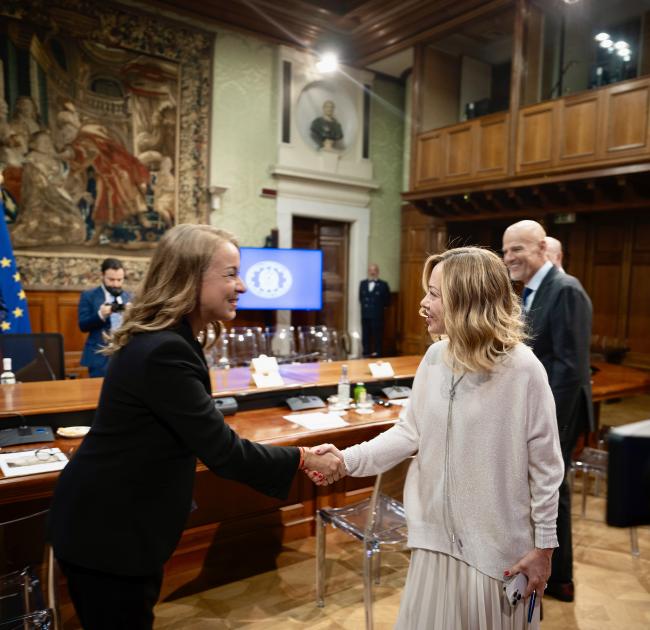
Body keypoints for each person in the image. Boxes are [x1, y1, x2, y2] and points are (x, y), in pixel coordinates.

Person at [49, 224, 345, 629]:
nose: (241, 285)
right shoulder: (164, 351)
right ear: (188, 278)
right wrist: (304, 457)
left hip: (116, 526)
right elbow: (223, 452)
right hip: (109, 532)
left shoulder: (169, 340)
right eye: (230, 273)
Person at [315, 247, 564, 629]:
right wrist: (345, 460)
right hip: (434, 544)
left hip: (495, 554)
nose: (423, 302)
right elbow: (407, 433)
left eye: (434, 293)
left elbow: (546, 470)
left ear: (467, 300)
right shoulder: (434, 358)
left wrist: (544, 548)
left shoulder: (523, 369)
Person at [502, 220, 594, 603]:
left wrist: (549, 426)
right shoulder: (530, 293)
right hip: (537, 414)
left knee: (554, 491)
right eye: (505, 250)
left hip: (557, 414)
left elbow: (570, 367)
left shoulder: (565, 289)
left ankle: (560, 578)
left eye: (517, 249)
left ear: (542, 248)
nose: (509, 258)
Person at [78, 258, 132, 377]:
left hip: (126, 355)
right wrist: (101, 315)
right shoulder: (89, 296)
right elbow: (83, 325)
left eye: (119, 280)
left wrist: (132, 315)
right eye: (111, 280)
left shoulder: (130, 297)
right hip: (99, 357)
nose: (116, 284)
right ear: (102, 275)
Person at [359, 263, 390, 357]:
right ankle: (366, 354)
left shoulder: (383, 285)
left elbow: (387, 301)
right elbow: (361, 299)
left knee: (377, 337)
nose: (372, 272)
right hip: (365, 315)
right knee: (365, 337)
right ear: (368, 271)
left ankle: (378, 355)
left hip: (377, 316)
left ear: (377, 272)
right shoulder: (363, 284)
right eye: (370, 270)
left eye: (374, 270)